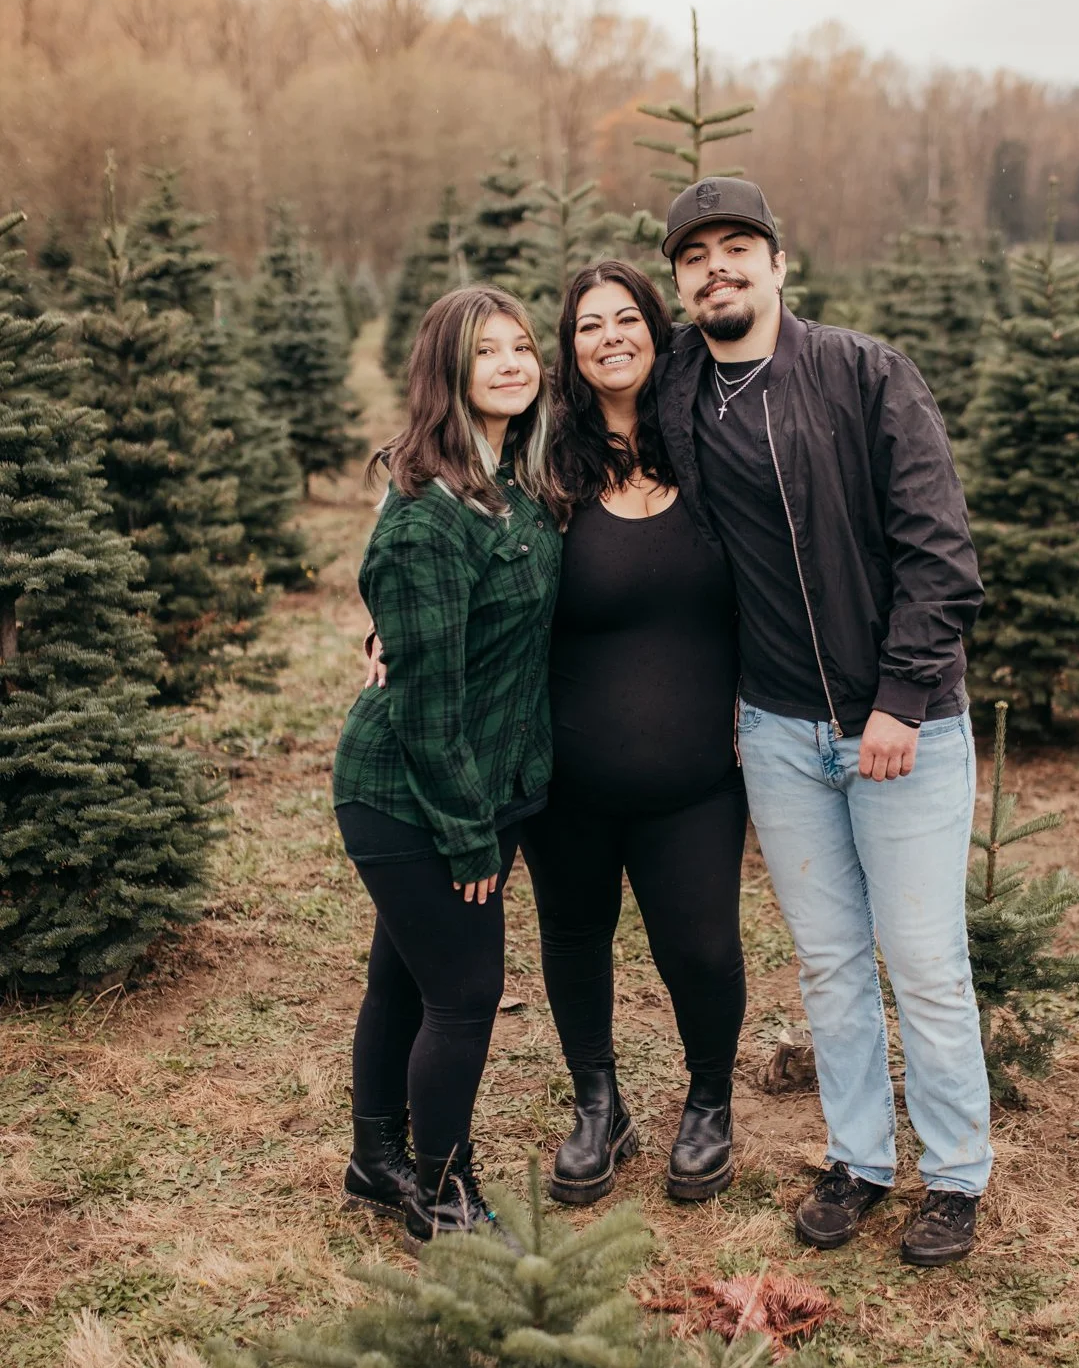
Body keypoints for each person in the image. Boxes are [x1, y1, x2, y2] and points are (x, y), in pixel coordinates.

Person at [654, 178, 992, 1267]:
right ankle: (857, 1158)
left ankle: (954, 1175)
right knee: (832, 961)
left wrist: (900, 695)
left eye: (738, 246)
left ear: (779, 263)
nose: (719, 267)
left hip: (903, 729)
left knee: (925, 958)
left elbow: (942, 552)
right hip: (779, 733)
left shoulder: (865, 373)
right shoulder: (679, 395)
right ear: (679, 284)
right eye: (695, 254)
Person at [333, 286, 564, 1249]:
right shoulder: (430, 514)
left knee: (405, 977)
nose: (512, 364)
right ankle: (442, 1194)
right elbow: (426, 712)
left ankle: (374, 1159)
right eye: (487, 352)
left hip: (484, 785)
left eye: (522, 347)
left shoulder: (510, 482)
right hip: (411, 794)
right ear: (449, 372)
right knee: (465, 995)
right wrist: (469, 832)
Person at [520, 261, 747, 1206]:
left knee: (699, 945)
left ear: (659, 331)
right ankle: (596, 1102)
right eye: (586, 326)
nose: (609, 336)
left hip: (693, 781)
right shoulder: (542, 465)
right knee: (574, 936)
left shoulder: (709, 449)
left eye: (626, 319)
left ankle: (708, 1102)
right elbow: (461, 547)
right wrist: (386, 625)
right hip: (566, 777)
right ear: (568, 350)